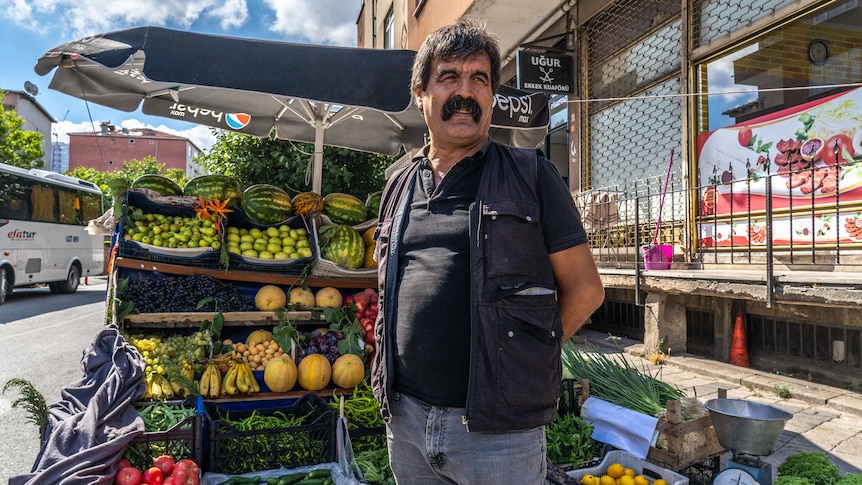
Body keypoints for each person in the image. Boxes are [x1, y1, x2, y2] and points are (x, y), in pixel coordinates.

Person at [370, 18, 605, 485]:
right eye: (449, 77)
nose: (466, 90)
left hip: (499, 434)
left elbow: (585, 291)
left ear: (492, 95)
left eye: (479, 79)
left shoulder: (531, 175)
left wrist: (527, 353)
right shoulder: (397, 184)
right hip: (407, 421)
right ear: (421, 94)